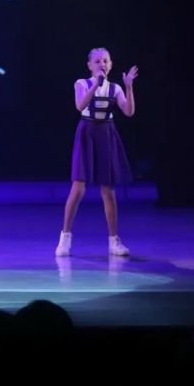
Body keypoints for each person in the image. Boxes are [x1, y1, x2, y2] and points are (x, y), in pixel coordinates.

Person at [55, 47, 138, 257]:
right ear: (89, 65)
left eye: (106, 61)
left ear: (111, 64)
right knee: (78, 188)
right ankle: (65, 238)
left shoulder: (115, 88)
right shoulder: (82, 83)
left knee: (108, 191)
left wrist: (129, 87)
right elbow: (80, 105)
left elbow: (128, 111)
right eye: (98, 61)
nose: (102, 64)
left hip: (106, 134)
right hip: (87, 133)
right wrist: (96, 85)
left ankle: (114, 241)